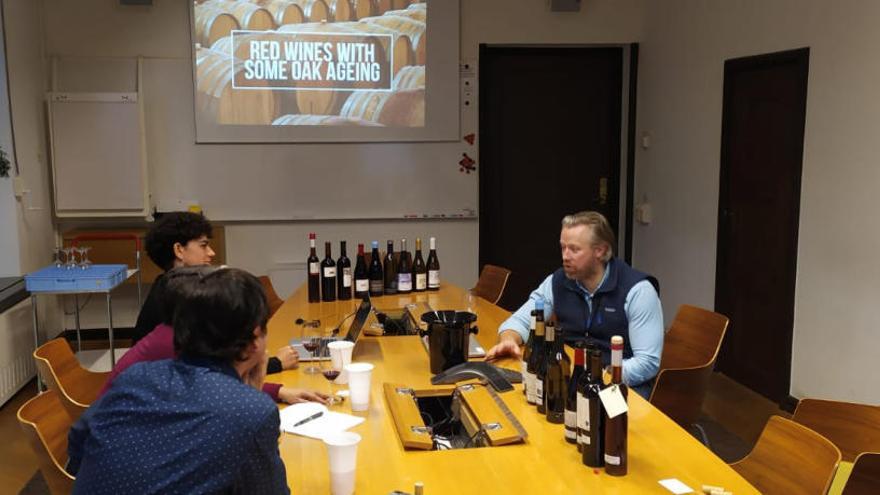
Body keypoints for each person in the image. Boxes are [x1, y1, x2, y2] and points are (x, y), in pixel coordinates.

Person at [69, 268, 290, 494]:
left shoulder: (135, 377)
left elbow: (79, 435)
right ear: (254, 340)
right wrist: (252, 395)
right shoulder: (251, 411)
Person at [485, 211, 664, 398]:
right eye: (563, 248)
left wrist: (597, 376)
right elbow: (521, 320)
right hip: (572, 380)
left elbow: (647, 362)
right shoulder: (558, 281)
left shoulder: (638, 291)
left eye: (574, 249)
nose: (565, 256)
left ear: (600, 251)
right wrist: (509, 339)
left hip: (619, 386)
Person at [99, 266, 328, 405]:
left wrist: (279, 391)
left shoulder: (175, 338)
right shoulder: (176, 343)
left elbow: (214, 383)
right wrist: (259, 396)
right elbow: (215, 387)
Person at [132, 211, 298, 373]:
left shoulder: (169, 287)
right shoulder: (181, 298)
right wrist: (275, 364)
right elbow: (210, 367)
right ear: (179, 250)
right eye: (203, 245)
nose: (211, 253)